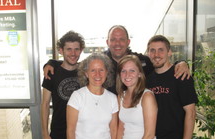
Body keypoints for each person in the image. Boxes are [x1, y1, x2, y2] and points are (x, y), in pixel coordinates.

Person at [43, 25, 190, 94]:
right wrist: (52, 63)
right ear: (107, 42)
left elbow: (160, 63)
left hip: (136, 120)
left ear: (128, 42)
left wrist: (181, 63)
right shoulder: (99, 61)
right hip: (107, 122)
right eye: (113, 39)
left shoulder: (142, 61)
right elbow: (74, 63)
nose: (117, 43)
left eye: (121, 39)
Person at [146, 35, 198, 139]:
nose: (156, 54)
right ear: (148, 53)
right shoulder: (148, 80)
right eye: (152, 50)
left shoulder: (181, 76)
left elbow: (191, 113)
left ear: (169, 52)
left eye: (161, 50)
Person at [65, 53, 118, 139]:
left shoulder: (113, 98)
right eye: (93, 70)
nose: (97, 74)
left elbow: (114, 130)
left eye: (101, 70)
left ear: (107, 73)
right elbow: (70, 130)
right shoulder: (77, 96)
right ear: (86, 73)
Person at [40, 30, 85, 139]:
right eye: (69, 49)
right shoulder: (52, 73)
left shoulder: (86, 71)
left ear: (81, 50)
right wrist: (45, 134)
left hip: (82, 133)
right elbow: (45, 104)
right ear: (61, 50)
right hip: (58, 133)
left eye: (76, 49)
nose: (73, 53)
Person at [114, 55, 163, 139]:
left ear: (140, 74)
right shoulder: (121, 96)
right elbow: (121, 127)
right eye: (123, 71)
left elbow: (149, 134)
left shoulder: (147, 97)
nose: (127, 75)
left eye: (132, 71)